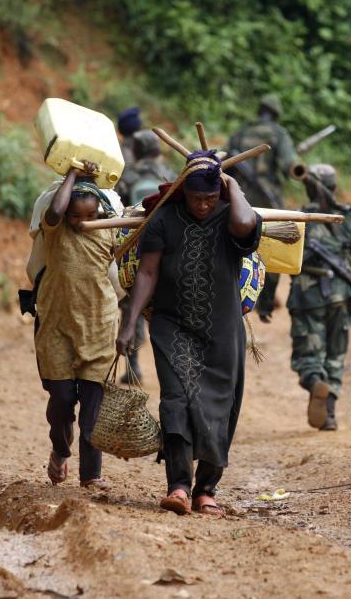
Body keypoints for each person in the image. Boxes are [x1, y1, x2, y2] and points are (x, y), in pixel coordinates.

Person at [116, 150, 261, 516]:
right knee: (176, 400)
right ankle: (178, 486)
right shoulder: (164, 218)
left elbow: (246, 224)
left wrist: (233, 186)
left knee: (219, 406)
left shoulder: (231, 216)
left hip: (223, 331)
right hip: (172, 325)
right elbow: (147, 273)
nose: (202, 204)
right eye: (196, 197)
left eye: (209, 198)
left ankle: (206, 489)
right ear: (183, 191)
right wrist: (130, 323)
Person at [37, 160, 119, 490]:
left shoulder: (110, 230)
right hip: (57, 325)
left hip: (99, 326)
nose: (84, 223)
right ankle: (60, 448)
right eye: (77, 217)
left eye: (91, 216)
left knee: (92, 407)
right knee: (60, 401)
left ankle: (91, 475)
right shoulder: (54, 230)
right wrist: (73, 174)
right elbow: (55, 212)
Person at [288, 164, 351, 431]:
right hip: (341, 295)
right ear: (334, 186)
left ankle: (314, 383)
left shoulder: (296, 220)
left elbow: (276, 260)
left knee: (307, 352)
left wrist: (265, 301)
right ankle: (330, 413)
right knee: (336, 354)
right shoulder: (350, 218)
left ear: (307, 187)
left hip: (306, 293)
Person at [113, 130, 178, 383]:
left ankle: (132, 366)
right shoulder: (171, 174)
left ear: (136, 151)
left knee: (133, 307)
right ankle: (172, 370)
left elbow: (118, 212)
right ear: (157, 150)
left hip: (134, 250)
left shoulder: (126, 176)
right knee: (169, 309)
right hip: (169, 249)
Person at [225, 94, 296, 323]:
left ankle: (235, 299)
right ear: (276, 114)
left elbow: (225, 160)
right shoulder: (278, 133)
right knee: (272, 245)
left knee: (235, 244)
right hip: (268, 199)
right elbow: (288, 164)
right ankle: (265, 305)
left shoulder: (241, 132)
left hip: (240, 198)